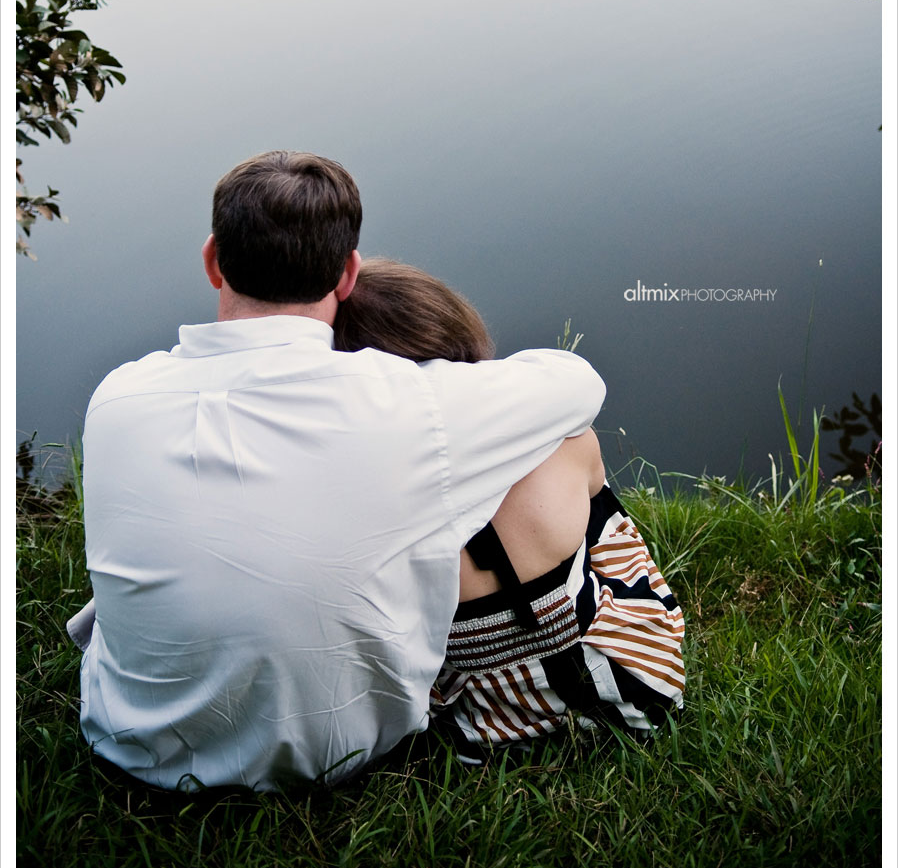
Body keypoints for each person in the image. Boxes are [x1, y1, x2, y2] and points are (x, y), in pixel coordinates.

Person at [71, 150, 605, 790]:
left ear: (213, 261)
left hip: (127, 748)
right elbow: (577, 383)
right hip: (331, 760)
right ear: (349, 274)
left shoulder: (118, 398)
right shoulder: (406, 400)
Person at [335, 258, 685, 764]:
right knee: (601, 531)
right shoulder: (567, 442)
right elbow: (618, 546)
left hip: (485, 732)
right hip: (635, 693)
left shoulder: (366, 505)